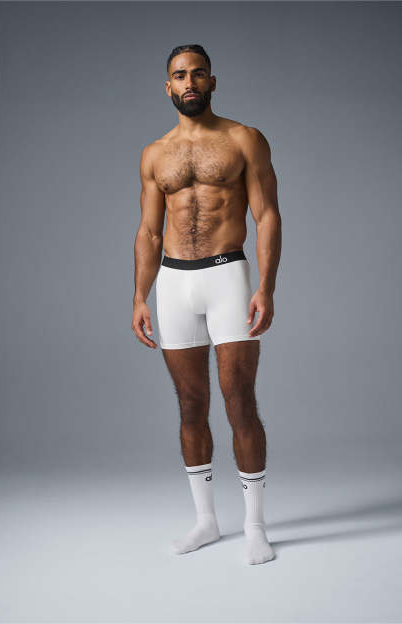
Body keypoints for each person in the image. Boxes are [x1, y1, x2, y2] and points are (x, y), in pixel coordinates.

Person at [131, 44, 282, 565]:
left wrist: (266, 287)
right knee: (191, 404)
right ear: (168, 87)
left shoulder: (244, 139)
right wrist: (140, 295)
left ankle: (255, 525)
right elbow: (150, 232)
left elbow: (267, 215)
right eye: (180, 75)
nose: (189, 82)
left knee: (239, 398)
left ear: (212, 82)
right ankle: (206, 521)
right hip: (173, 283)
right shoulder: (155, 154)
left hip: (227, 276)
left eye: (198, 74)